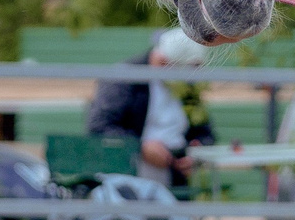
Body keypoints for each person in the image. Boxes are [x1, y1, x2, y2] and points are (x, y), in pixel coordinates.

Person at [85, 30, 213, 189]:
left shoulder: (184, 85)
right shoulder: (124, 77)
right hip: (130, 168)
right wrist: (140, 147)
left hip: (176, 168)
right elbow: (99, 126)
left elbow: (204, 131)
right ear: (164, 61)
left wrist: (196, 153)